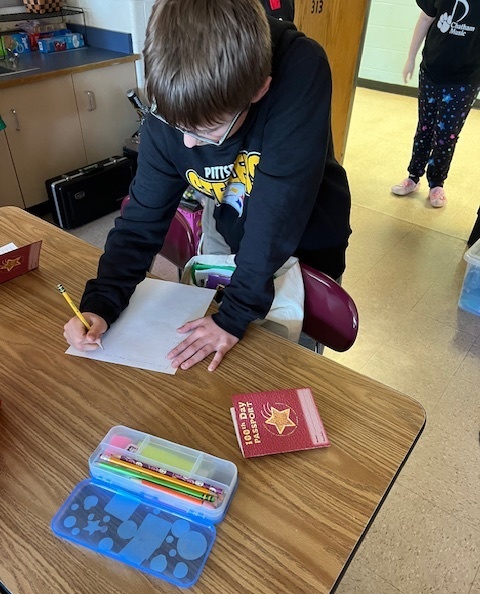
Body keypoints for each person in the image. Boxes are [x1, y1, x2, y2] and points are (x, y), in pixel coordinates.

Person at [63, 0, 351, 371]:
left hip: (303, 245)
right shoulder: (172, 96)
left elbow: (278, 213)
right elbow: (142, 220)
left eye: (207, 130)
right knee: (215, 365)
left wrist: (234, 315)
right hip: (232, 222)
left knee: (285, 369)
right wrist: (101, 302)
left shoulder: (300, 69)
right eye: (175, 124)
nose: (187, 144)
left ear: (259, 91)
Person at [391, 0, 480, 208]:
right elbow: (425, 18)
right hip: (431, 71)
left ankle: (437, 183)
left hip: (465, 80)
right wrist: (410, 58)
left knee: (446, 135)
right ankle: (413, 176)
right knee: (425, 128)